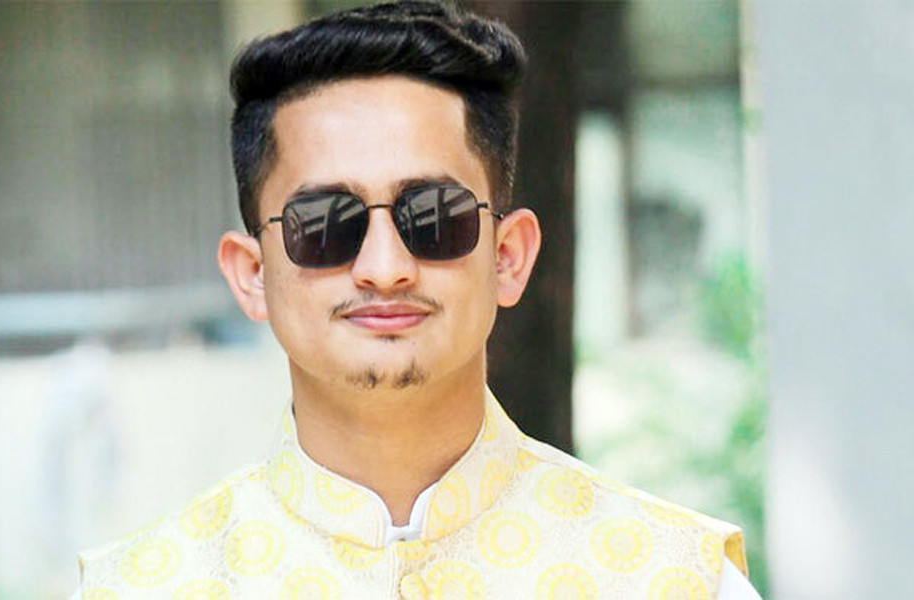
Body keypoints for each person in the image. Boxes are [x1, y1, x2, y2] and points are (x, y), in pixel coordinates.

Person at [76, 2, 761, 598]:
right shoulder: (139, 588)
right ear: (252, 273)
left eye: (433, 216)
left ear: (508, 256)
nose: (385, 268)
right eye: (326, 224)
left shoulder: (675, 578)